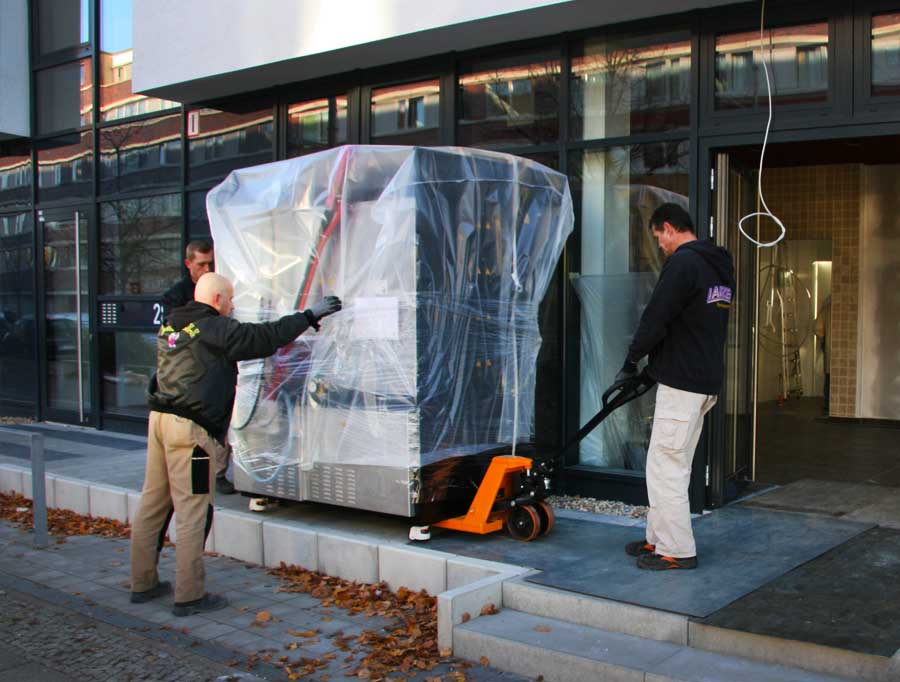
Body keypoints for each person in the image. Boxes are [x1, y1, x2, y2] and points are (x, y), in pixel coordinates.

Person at [130, 272, 341, 616]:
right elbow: (263, 337)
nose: (232, 306)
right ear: (217, 300)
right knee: (193, 510)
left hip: (160, 423)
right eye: (229, 300)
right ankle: (189, 595)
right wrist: (309, 315)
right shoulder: (215, 328)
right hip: (191, 434)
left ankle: (142, 583)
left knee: (152, 504)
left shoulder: (172, 324)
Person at [618, 203, 734, 571]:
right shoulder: (718, 265)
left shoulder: (684, 263)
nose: (660, 246)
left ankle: (676, 550)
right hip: (702, 381)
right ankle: (657, 538)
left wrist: (631, 360)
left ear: (669, 228)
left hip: (682, 385)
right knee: (670, 462)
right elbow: (690, 323)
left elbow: (657, 316)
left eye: (658, 238)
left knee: (666, 467)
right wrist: (653, 368)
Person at [161, 240, 236, 494]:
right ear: (188, 263)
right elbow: (175, 335)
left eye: (210, 264)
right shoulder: (176, 297)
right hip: (190, 378)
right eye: (201, 264)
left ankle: (217, 473)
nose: (207, 269)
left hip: (214, 370)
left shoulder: (221, 288)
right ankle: (200, 479)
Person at [814, 295, 832, 415]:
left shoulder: (826, 310)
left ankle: (828, 404)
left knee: (829, 376)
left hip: (829, 347)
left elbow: (817, 328)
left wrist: (823, 339)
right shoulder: (846, 308)